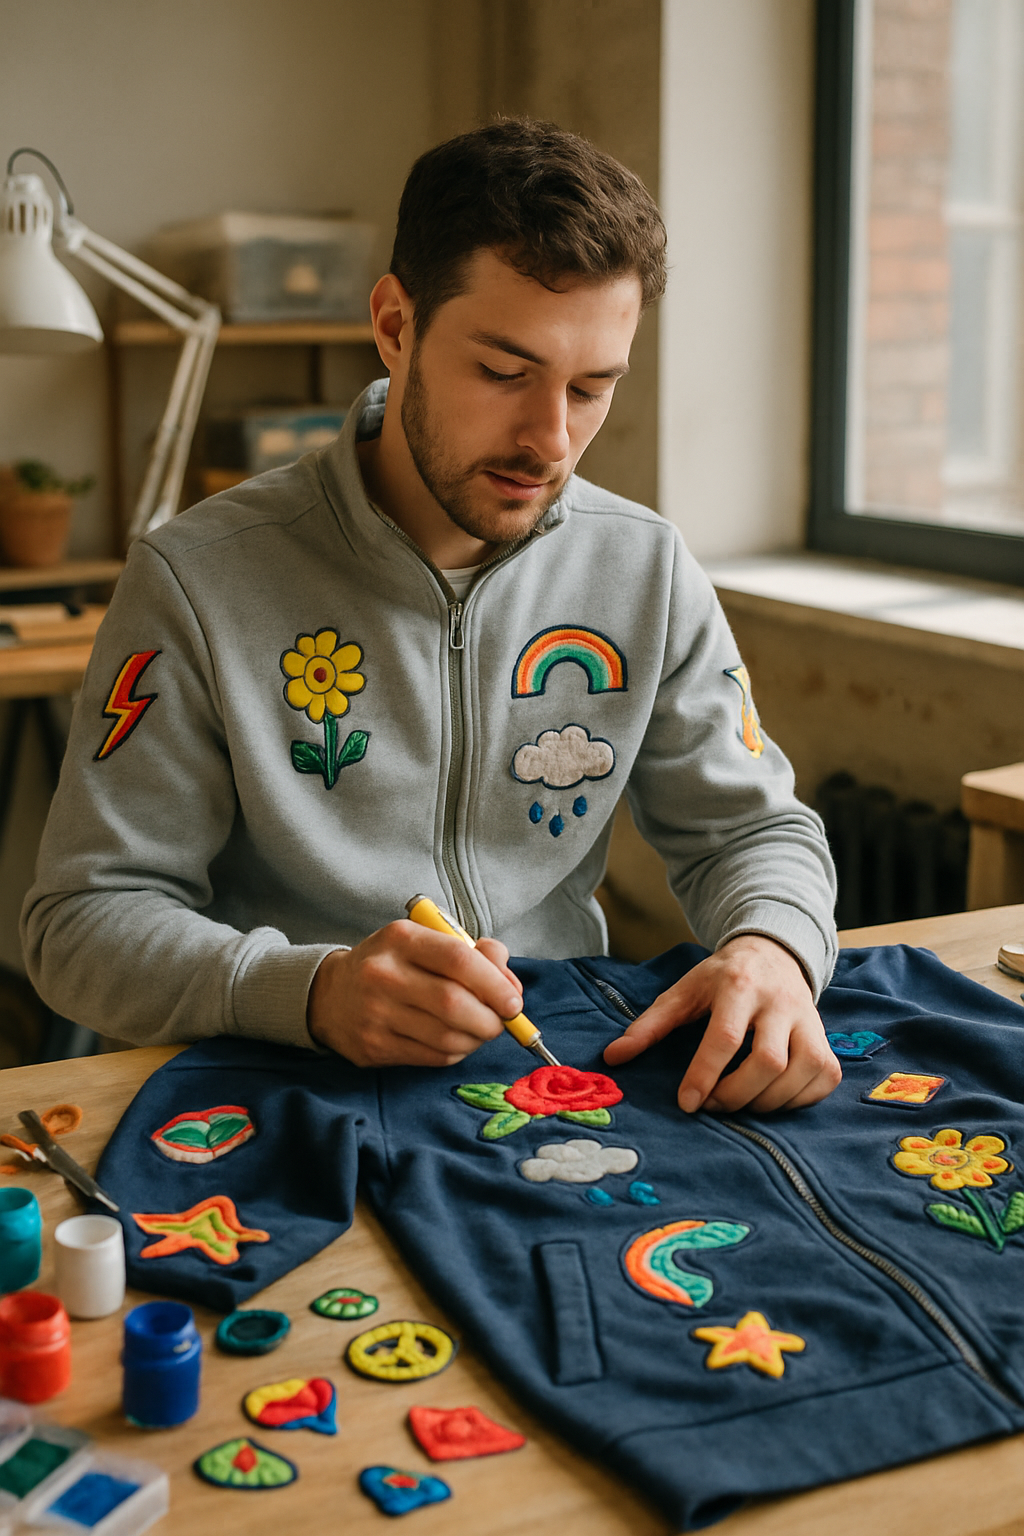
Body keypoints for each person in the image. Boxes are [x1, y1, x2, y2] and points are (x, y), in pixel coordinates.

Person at [22, 118, 839, 1115]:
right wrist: (311, 992)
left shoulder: (644, 569)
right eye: (503, 372)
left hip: (553, 1083)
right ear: (394, 325)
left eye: (591, 388)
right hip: (276, 1093)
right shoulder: (194, 580)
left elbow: (750, 832)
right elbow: (81, 924)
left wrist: (772, 948)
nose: (550, 439)